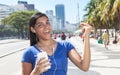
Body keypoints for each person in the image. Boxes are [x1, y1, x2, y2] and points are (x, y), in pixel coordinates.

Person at [21, 12, 92, 75]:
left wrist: (86, 38)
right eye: (40, 25)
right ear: (33, 29)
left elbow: (84, 66)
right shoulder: (29, 52)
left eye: (47, 23)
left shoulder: (65, 46)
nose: (46, 27)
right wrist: (36, 72)